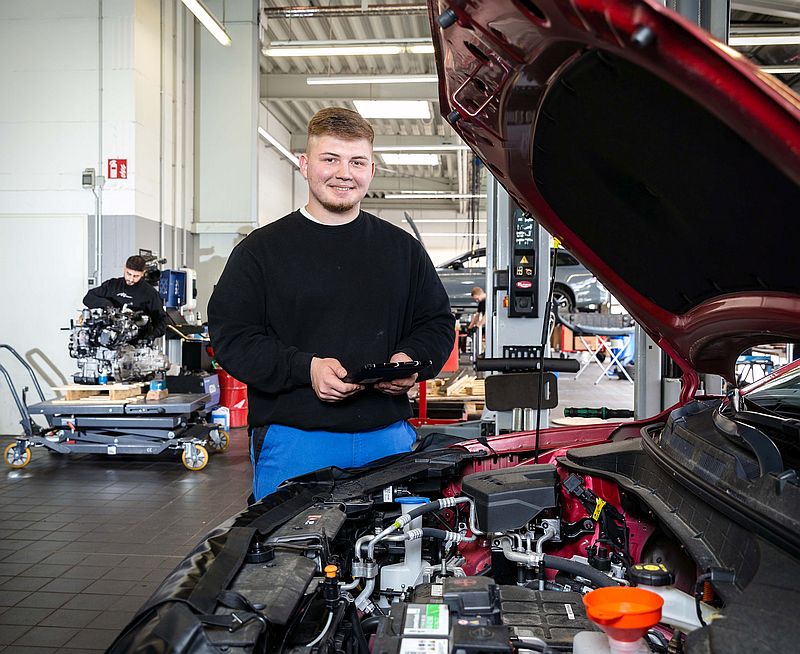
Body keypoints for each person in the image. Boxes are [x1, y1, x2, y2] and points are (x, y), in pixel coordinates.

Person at [208, 107, 454, 501]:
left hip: (387, 438)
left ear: (371, 170)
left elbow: (437, 324)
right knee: (290, 558)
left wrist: (412, 359)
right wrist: (306, 368)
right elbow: (232, 337)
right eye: (330, 159)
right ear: (304, 165)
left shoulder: (402, 250)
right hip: (296, 441)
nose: (344, 172)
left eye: (357, 161)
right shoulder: (260, 252)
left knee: (395, 556)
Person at [83, 255, 167, 340]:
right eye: (129, 274)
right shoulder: (112, 285)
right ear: (124, 268)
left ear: (142, 273)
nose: (131, 279)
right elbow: (88, 298)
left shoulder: (150, 293)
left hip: (135, 343)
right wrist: (106, 304)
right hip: (107, 339)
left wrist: (152, 335)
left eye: (135, 276)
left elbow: (161, 320)